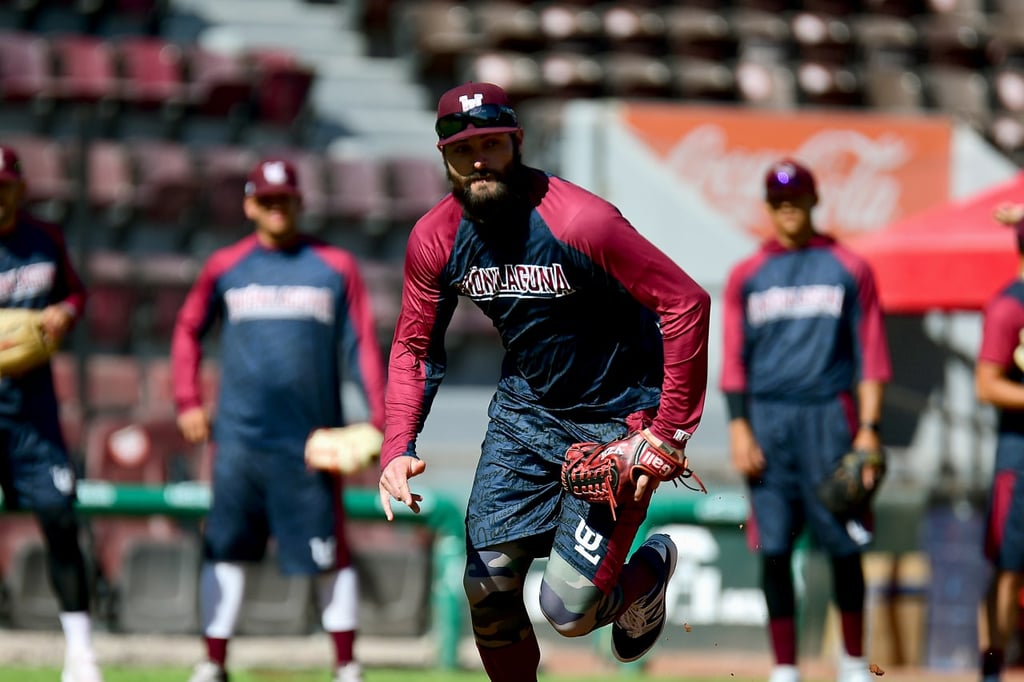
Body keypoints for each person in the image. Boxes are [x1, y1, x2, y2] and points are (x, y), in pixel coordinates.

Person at [377, 82, 711, 681]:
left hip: (617, 419)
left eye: (491, 145)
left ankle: (648, 573)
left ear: (518, 143)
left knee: (568, 611)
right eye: (462, 150)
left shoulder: (582, 221)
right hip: (526, 413)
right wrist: (397, 447)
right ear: (443, 156)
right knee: (486, 587)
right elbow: (413, 347)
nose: (478, 161)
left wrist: (667, 432)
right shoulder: (436, 237)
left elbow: (685, 303)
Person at [172, 157, 387, 682]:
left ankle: (346, 666)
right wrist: (187, 400)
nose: (275, 208)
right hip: (239, 441)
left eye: (283, 199)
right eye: (265, 200)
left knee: (328, 552)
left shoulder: (335, 265)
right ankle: (214, 663)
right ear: (249, 204)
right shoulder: (225, 266)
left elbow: (362, 344)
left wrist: (382, 419)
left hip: (310, 444)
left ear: (299, 202)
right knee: (225, 548)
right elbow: (186, 331)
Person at [720, 159, 891, 682]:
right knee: (773, 548)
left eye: (796, 200)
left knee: (844, 545)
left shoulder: (848, 266)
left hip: (829, 418)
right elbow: (732, 360)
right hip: (768, 420)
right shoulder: (747, 275)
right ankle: (786, 668)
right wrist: (738, 427)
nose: (787, 209)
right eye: (778, 201)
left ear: (815, 201)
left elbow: (871, 355)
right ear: (768, 207)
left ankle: (854, 663)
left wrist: (868, 429)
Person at [0, 145, 101, 682]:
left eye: (4, 185)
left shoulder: (45, 239)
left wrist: (65, 311)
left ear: (19, 188)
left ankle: (81, 655)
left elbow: (77, 293)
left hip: (34, 418)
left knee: (62, 521)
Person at [975, 201, 1024, 682]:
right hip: (1019, 454)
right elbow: (986, 384)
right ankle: (991, 672)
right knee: (1007, 567)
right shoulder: (1011, 303)